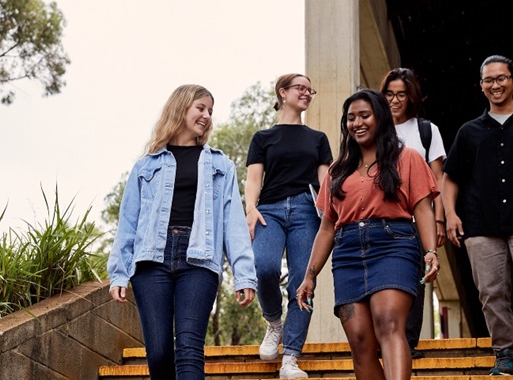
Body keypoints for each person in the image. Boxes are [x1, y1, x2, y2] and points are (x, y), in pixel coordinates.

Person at [107, 84, 257, 380]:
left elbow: (233, 223)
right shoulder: (145, 166)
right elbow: (128, 222)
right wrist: (119, 272)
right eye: (201, 108)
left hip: (199, 259)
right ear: (181, 108)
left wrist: (244, 274)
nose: (207, 115)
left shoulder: (220, 165)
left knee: (189, 349)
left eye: (210, 111)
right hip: (152, 260)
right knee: (160, 351)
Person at [297, 89, 440, 380]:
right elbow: (327, 226)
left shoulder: (408, 158)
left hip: (394, 246)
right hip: (347, 252)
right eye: (351, 118)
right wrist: (309, 275)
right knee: (360, 341)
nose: (357, 123)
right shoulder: (338, 169)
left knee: (388, 323)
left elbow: (423, 210)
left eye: (365, 115)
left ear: (380, 118)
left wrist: (431, 251)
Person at [244, 73, 333, 378]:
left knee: (302, 280)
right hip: (269, 210)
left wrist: (331, 212)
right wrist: (251, 209)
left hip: (307, 212)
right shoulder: (263, 138)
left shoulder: (318, 139)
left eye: (311, 89)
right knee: (264, 267)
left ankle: (290, 359)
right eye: (300, 88)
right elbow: (254, 179)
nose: (307, 93)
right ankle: (273, 322)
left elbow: (325, 182)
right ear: (283, 92)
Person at [443, 54, 513, 376]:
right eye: (489, 80)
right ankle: (505, 353)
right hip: (480, 224)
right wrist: (450, 214)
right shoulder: (469, 132)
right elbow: (450, 177)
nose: (495, 85)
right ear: (481, 86)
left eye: (501, 78)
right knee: (491, 291)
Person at [380, 67, 447, 359]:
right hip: (380, 219)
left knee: (416, 280)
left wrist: (440, 219)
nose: (395, 101)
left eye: (401, 95)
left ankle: (408, 342)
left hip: (417, 219)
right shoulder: (376, 128)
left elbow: (439, 180)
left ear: (411, 97)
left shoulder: (426, 130)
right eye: (389, 94)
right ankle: (385, 339)